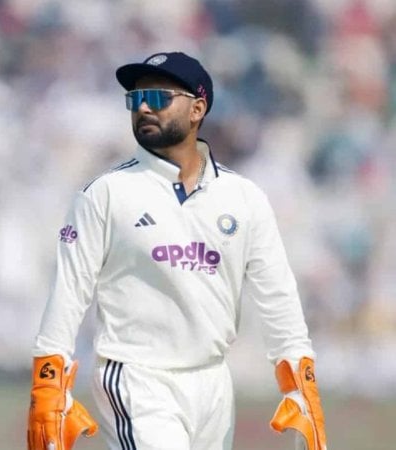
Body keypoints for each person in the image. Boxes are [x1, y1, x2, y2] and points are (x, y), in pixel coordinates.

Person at [26, 51, 327, 450]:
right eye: (135, 99)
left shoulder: (244, 197)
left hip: (214, 383)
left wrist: (302, 384)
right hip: (137, 376)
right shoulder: (105, 193)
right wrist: (48, 383)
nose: (143, 107)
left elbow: (277, 296)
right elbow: (69, 291)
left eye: (158, 97)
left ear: (197, 108)